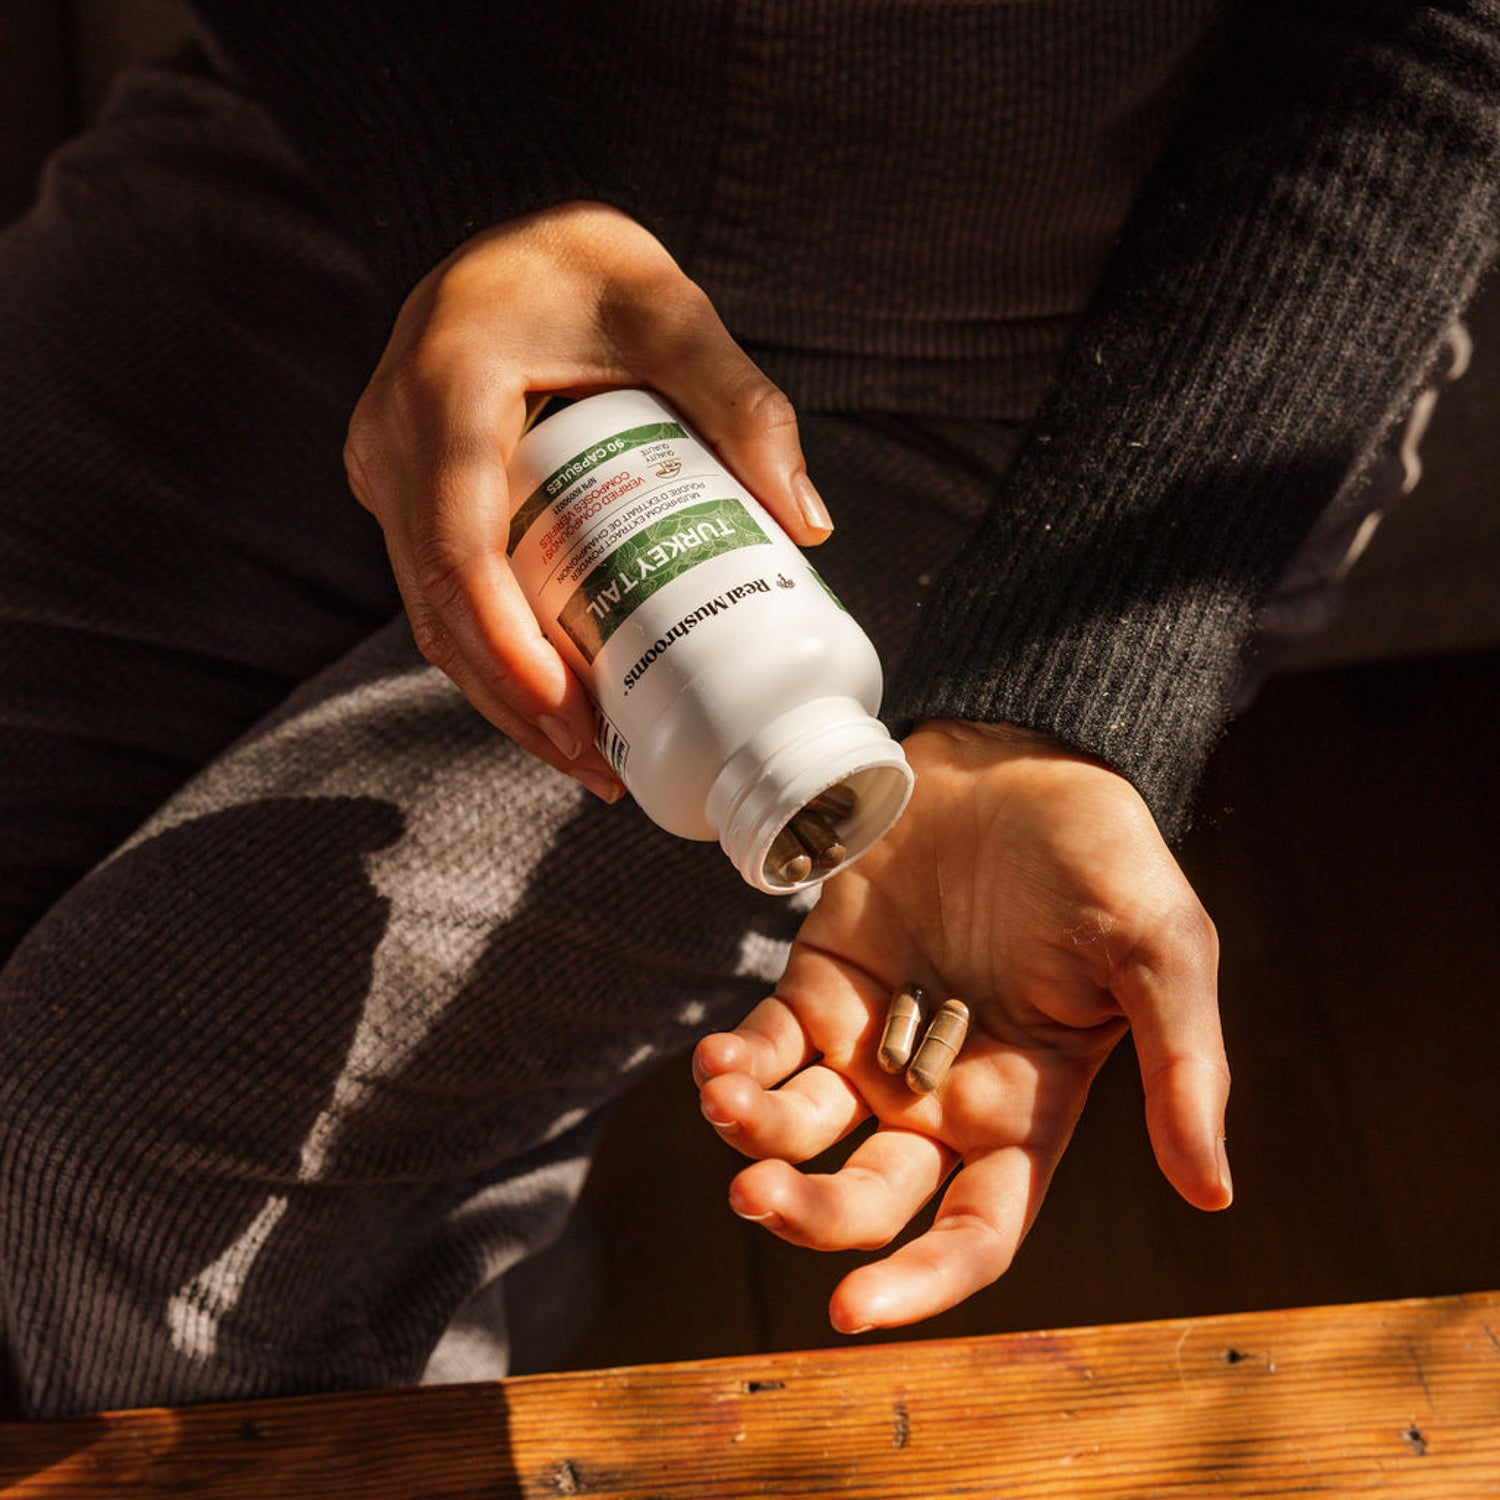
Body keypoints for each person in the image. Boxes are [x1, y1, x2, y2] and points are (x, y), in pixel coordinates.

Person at [0, 0, 1494, 1416]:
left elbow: (1433, 47)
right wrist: (476, 203)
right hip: (382, 151)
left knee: (117, 1190)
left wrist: (1055, 694)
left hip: (1061, 375)